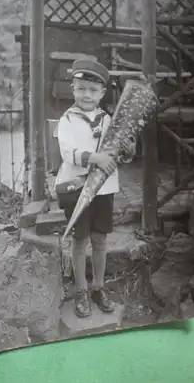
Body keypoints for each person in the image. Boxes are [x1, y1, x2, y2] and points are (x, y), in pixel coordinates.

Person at [55, 59, 134, 318]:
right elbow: (67, 152)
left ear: (102, 93)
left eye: (92, 90)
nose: (86, 95)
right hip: (78, 189)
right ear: (73, 90)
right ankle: (81, 290)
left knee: (100, 239)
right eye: (81, 89)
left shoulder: (108, 119)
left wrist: (128, 150)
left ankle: (98, 287)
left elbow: (117, 154)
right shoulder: (67, 120)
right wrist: (94, 157)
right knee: (80, 240)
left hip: (103, 189)